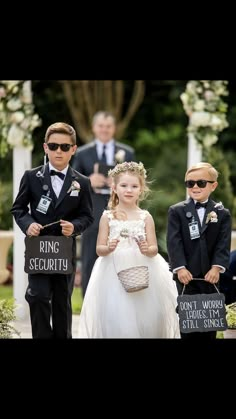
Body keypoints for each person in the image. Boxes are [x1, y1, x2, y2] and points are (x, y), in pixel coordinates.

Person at [77, 161, 180, 338]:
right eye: (124, 185)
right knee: (116, 314)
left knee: (147, 314)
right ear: (114, 187)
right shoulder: (107, 216)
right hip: (113, 270)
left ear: (141, 189)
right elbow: (99, 249)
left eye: (134, 186)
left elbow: (154, 248)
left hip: (143, 269)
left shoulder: (145, 217)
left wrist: (147, 249)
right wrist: (108, 248)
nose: (129, 190)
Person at [11, 122, 94, 339]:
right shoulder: (31, 176)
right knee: (37, 296)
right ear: (45, 147)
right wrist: (28, 224)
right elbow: (18, 208)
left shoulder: (82, 182)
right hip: (38, 250)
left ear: (73, 149)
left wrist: (74, 227)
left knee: (61, 301)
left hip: (64, 252)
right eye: (54, 146)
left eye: (65, 147)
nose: (59, 151)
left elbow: (87, 216)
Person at [72, 111, 135, 296]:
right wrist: (89, 181)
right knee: (90, 255)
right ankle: (89, 300)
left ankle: (119, 299)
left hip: (121, 209)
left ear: (114, 128)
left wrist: (120, 181)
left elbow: (136, 178)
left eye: (108, 126)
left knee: (122, 255)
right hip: (92, 210)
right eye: (101, 126)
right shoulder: (83, 153)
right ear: (94, 128)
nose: (104, 130)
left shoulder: (127, 152)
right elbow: (73, 183)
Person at [167, 162, 232, 340]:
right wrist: (180, 268)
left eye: (201, 183)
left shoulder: (222, 213)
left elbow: (223, 243)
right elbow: (174, 242)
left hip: (211, 278)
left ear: (213, 185)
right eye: (190, 183)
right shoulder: (176, 211)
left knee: (208, 326)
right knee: (189, 325)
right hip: (186, 277)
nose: (195, 187)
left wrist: (216, 268)